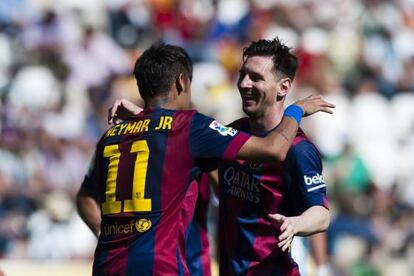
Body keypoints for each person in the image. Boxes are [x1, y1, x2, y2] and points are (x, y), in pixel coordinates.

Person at [77, 43, 334, 276]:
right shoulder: (218, 133)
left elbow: (321, 213)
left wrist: (297, 225)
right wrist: (148, 120)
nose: (244, 83)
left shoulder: (299, 149)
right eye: (242, 74)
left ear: (284, 87)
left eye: (255, 77)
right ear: (181, 82)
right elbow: (186, 138)